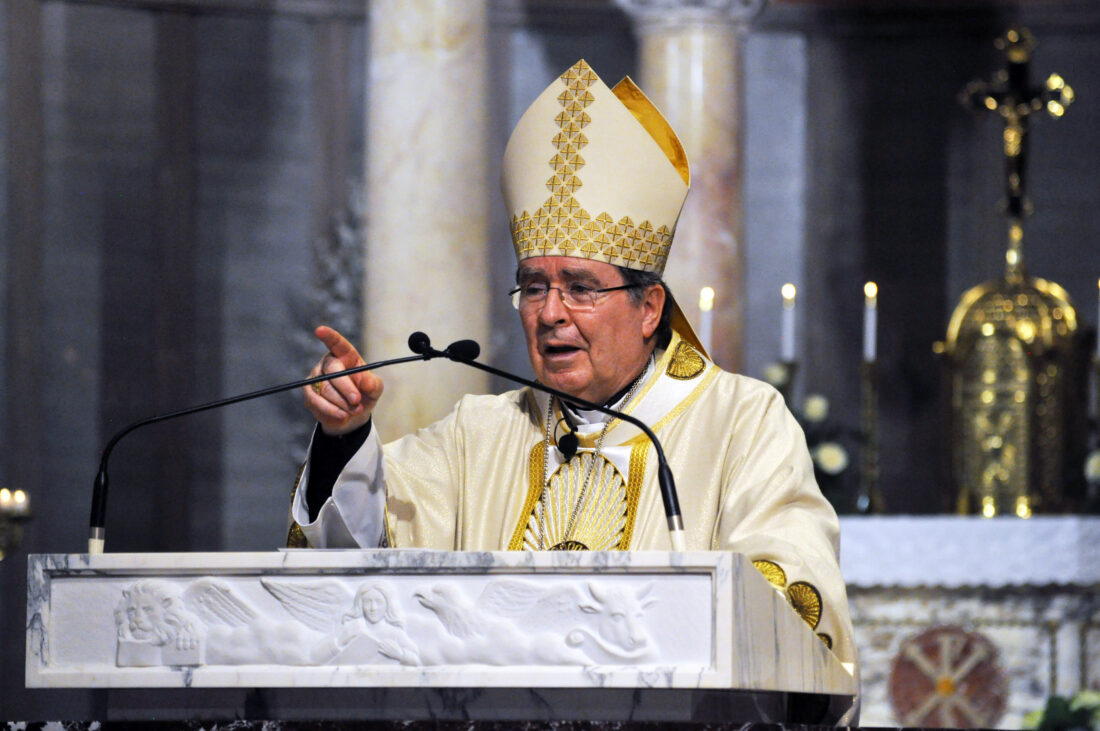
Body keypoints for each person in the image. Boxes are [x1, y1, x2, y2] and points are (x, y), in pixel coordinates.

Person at [288, 60, 857, 679]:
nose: (550, 313)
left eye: (581, 288)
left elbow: (787, 593)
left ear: (649, 308)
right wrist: (344, 435)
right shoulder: (476, 435)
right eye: (534, 287)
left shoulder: (742, 423)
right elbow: (357, 565)